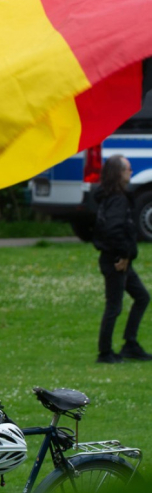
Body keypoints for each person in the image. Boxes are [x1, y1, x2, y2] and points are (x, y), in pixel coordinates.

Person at [93, 155, 152, 364]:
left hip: (119, 258)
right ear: (118, 173)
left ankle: (130, 344)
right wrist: (124, 255)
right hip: (116, 260)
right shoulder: (117, 199)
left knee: (142, 297)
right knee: (114, 306)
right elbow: (113, 230)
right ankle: (105, 352)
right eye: (128, 168)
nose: (131, 171)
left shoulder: (112, 196)